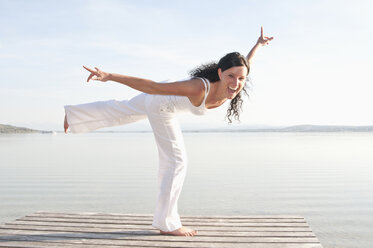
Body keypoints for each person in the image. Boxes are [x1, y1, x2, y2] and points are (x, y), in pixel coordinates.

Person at [64, 27, 273, 237]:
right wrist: (109, 76)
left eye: (241, 78)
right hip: (161, 102)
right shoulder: (199, 88)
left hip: (160, 98)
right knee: (176, 161)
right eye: (231, 76)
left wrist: (258, 45)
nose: (236, 83)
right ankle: (167, 223)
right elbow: (153, 87)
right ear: (220, 72)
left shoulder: (236, 79)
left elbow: (247, 63)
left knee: (124, 109)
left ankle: (74, 115)